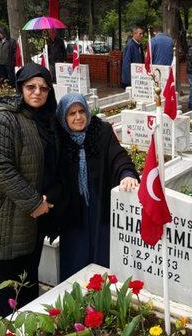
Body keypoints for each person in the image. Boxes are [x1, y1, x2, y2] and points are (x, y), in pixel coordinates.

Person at [0, 63, 60, 317]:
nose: (37, 92)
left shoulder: (44, 119)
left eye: (43, 88)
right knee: (5, 296)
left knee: (28, 286)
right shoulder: (5, 119)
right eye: (31, 86)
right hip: (5, 219)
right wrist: (34, 202)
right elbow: (0, 166)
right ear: (21, 88)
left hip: (34, 221)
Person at [55, 93, 139, 282]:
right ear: (63, 117)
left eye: (82, 111)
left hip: (99, 203)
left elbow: (118, 156)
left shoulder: (102, 131)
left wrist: (127, 174)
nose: (78, 117)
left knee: (103, 256)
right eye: (72, 113)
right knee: (75, 259)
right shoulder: (58, 137)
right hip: (73, 211)